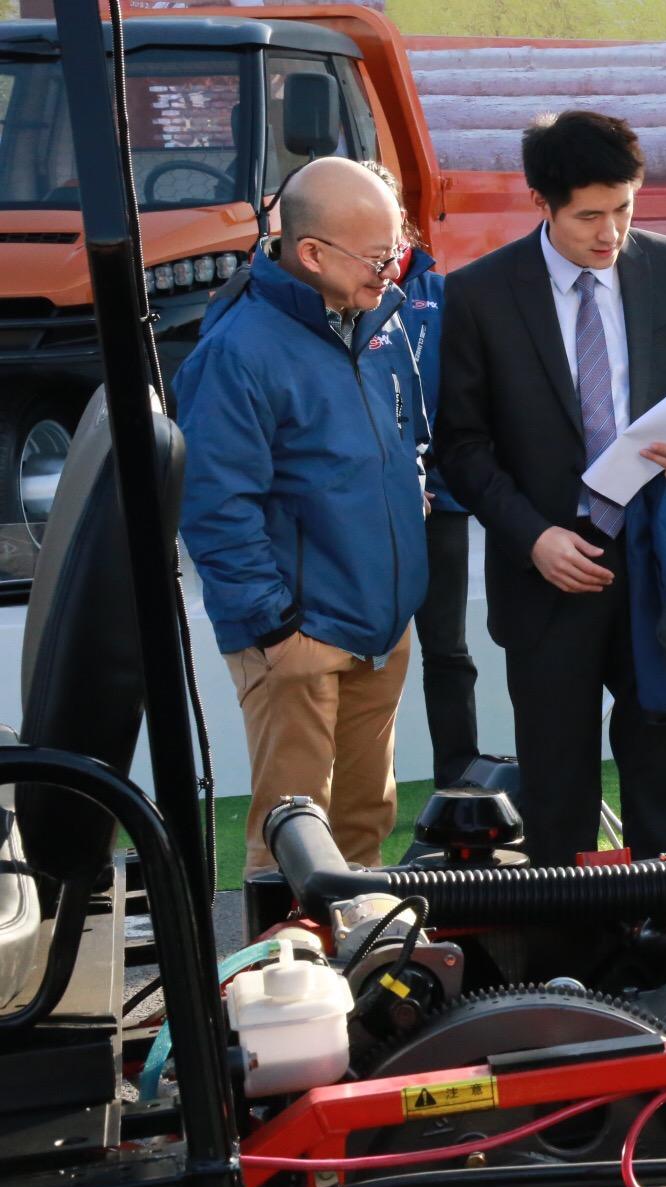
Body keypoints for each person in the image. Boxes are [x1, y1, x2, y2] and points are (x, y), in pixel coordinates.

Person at [436, 110, 666, 865]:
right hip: (547, 573)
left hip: (659, 566)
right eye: (589, 216)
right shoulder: (479, 294)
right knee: (558, 794)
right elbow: (462, 448)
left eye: (626, 208)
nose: (611, 233)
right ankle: (565, 963)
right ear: (542, 203)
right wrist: (533, 537)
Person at [176, 156, 428, 873]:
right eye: (380, 257)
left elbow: (400, 437)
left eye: (397, 250)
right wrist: (276, 633)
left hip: (378, 623)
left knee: (361, 826)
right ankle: (282, 974)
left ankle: (365, 975)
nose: (393, 270)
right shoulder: (237, 351)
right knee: (293, 841)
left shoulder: (374, 319)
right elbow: (216, 508)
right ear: (312, 253)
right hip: (299, 639)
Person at [363, 159, 480, 790]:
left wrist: (435, 475)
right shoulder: (337, 295)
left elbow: (465, 399)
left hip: (443, 503)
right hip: (365, 507)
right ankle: (343, 793)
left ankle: (456, 778)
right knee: (357, 653)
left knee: (448, 649)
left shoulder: (445, 295)